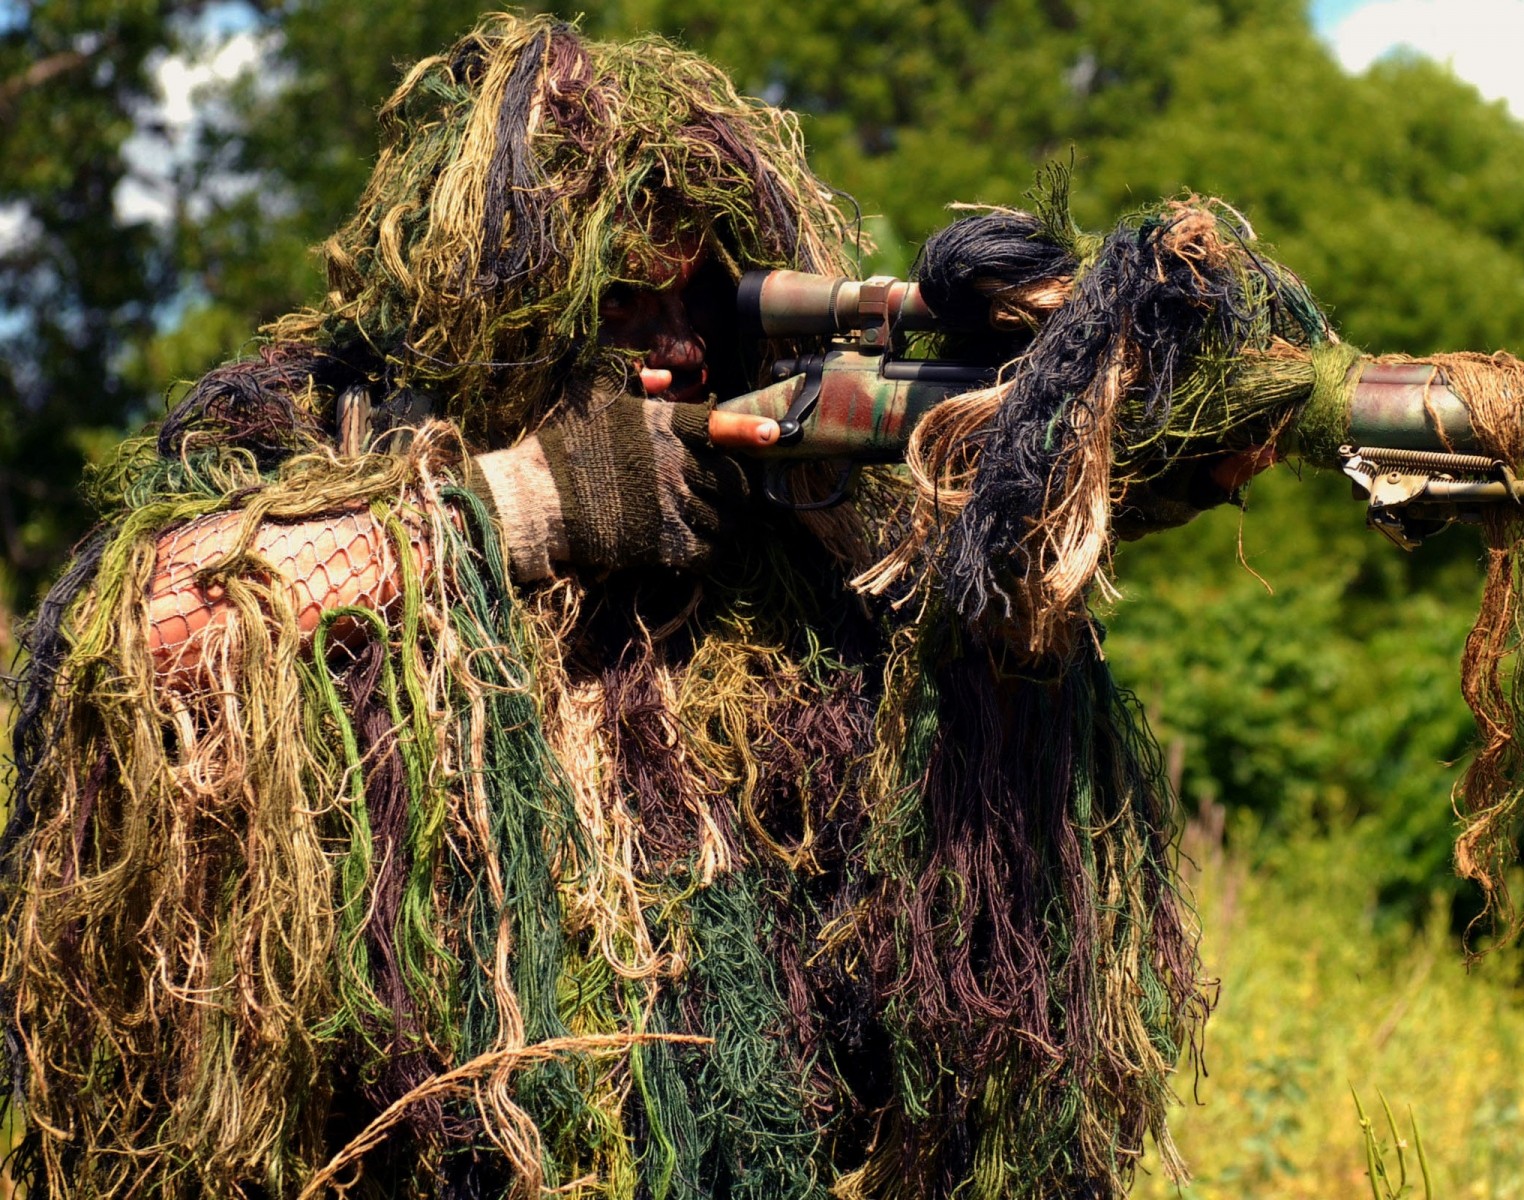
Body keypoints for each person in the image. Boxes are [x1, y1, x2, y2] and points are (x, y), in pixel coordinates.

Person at [2, 15, 1330, 1199]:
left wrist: (1074, 465)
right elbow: (144, 641)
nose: (681, 339)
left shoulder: (773, 531)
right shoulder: (326, 418)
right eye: (628, 297)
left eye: (707, 295)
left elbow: (963, 766)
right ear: (503, 296)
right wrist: (526, 506)